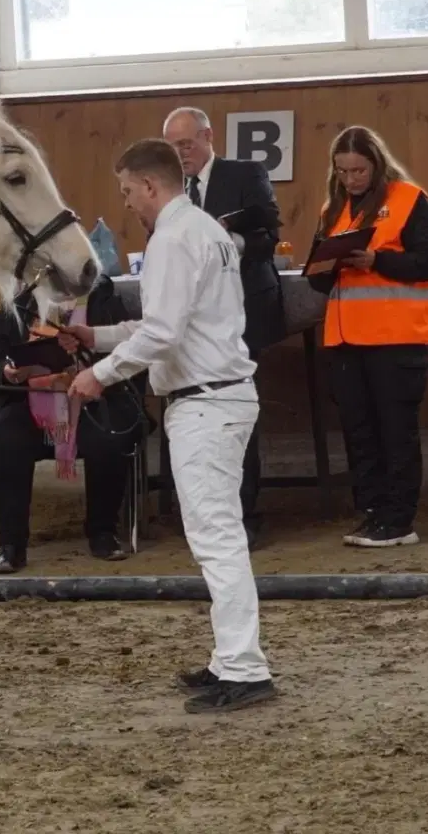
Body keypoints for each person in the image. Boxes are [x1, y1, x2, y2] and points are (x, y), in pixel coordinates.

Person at [64, 138, 276, 714]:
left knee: (216, 537)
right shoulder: (201, 231)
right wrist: (98, 338)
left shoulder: (176, 239)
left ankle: (244, 667)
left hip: (205, 402)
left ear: (150, 186)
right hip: (215, 397)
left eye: (128, 191)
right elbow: (164, 324)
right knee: (216, 534)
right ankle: (230, 657)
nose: (128, 203)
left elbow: (164, 335)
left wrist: (99, 376)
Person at [304, 126, 428, 548]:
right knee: (359, 433)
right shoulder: (333, 210)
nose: (351, 179)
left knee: (395, 432)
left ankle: (400, 521)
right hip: (346, 340)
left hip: (396, 339)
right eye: (343, 171)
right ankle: (372, 513)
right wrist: (324, 266)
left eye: (359, 170)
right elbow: (317, 282)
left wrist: (375, 259)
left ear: (376, 164)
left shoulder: (409, 200)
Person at [162, 107, 285, 549]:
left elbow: (269, 233)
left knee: (233, 414)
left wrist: (226, 244)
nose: (181, 155)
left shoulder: (245, 172)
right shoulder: (171, 190)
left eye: (187, 145)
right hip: (191, 319)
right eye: (173, 148)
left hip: (243, 314)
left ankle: (243, 513)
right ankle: (195, 512)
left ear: (208, 137)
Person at [0, 275, 147, 574]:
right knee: (6, 435)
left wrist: (93, 370)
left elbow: (132, 351)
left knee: (108, 437)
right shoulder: (21, 304)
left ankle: (103, 532)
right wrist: (7, 372)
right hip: (32, 401)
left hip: (93, 400)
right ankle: (11, 544)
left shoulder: (104, 301)